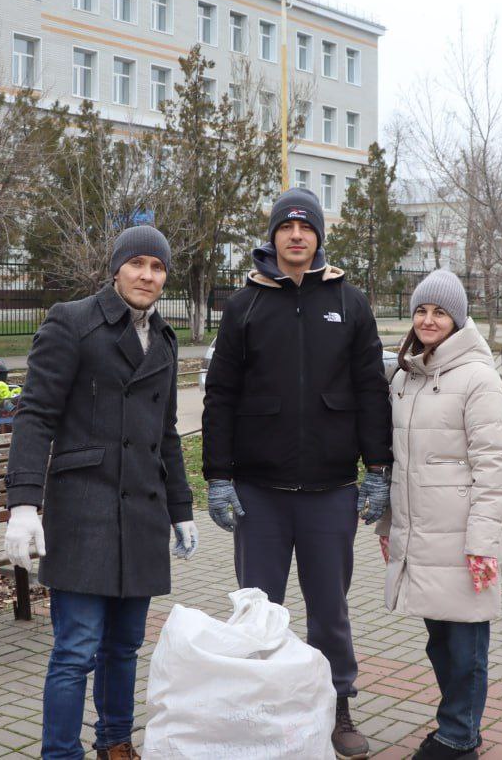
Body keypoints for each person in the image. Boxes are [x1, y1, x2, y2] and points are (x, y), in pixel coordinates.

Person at [202, 188, 393, 760]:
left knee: (329, 614)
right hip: (259, 495)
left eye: (305, 227)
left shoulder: (349, 303)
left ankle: (337, 711)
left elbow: (369, 391)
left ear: (318, 237)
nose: (296, 235)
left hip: (330, 493)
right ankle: (258, 715)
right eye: (286, 226)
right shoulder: (245, 305)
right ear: (273, 236)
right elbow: (221, 395)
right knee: (256, 614)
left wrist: (377, 467)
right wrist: (218, 475)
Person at [3, 225, 198, 760]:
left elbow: (165, 432)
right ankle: (61, 754)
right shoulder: (72, 322)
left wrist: (180, 509)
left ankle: (116, 743)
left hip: (140, 512)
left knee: (125, 647)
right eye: (138, 264)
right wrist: (24, 504)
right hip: (83, 510)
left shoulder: (163, 338)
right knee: (76, 651)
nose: (148, 276)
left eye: (158, 268)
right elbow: (35, 414)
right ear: (116, 268)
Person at [377, 270, 502, 760]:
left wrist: (482, 541)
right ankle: (458, 727)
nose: (429, 320)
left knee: (466, 646)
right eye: (421, 311)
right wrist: (388, 524)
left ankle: (458, 736)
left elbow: (493, 465)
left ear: (458, 319)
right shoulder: (406, 375)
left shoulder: (478, 377)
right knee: (439, 641)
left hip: (462, 536)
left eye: (440, 312)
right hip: (419, 532)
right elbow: (396, 458)